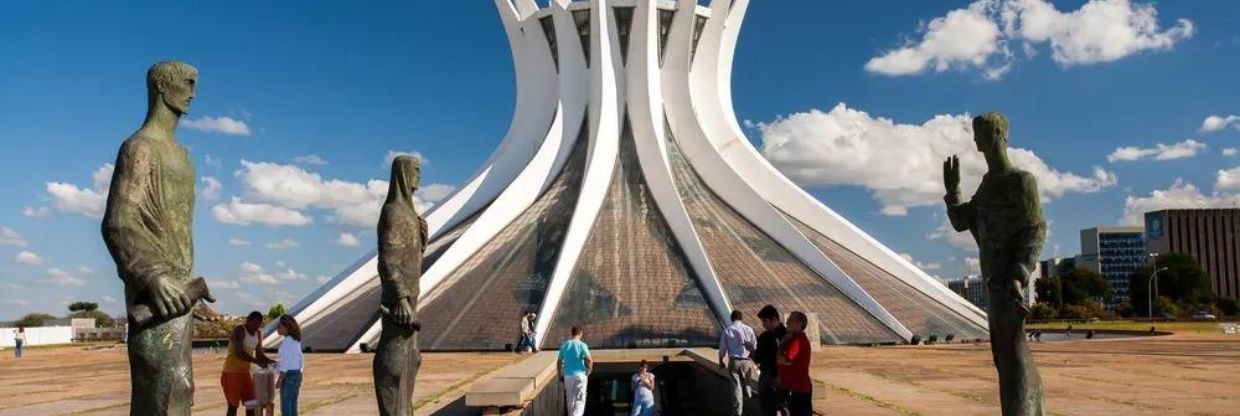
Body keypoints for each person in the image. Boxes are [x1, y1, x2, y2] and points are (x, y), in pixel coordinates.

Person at [222, 311, 275, 416]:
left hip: (245, 373)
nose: (256, 327)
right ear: (248, 321)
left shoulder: (258, 333)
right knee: (233, 406)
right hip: (232, 372)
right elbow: (239, 353)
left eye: (258, 325)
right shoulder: (239, 330)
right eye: (254, 324)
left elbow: (259, 354)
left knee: (252, 404)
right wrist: (257, 362)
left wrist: (271, 362)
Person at [718, 309, 757, 416]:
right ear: (741, 318)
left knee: (736, 386)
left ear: (731, 318)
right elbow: (754, 345)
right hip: (746, 360)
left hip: (733, 361)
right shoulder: (749, 329)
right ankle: (748, 394)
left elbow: (722, 348)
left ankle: (737, 412)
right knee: (747, 382)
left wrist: (721, 361)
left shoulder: (727, 330)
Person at [754, 305, 788, 416]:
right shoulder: (788, 335)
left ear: (774, 319)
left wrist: (752, 352)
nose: (763, 325)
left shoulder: (765, 337)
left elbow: (758, 358)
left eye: (765, 321)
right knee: (784, 408)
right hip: (781, 378)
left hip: (770, 378)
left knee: (769, 409)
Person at [778, 311, 813, 416]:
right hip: (793, 388)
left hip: (798, 390)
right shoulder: (792, 339)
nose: (787, 322)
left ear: (799, 324)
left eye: (790, 320)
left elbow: (784, 359)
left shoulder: (797, 340)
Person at [558, 326, 593, 416]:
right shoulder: (582, 345)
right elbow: (589, 359)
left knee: (570, 398)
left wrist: (559, 375)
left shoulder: (565, 345)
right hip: (580, 375)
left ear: (572, 333)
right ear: (580, 334)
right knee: (580, 399)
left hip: (568, 376)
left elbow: (559, 361)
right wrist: (589, 370)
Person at [275, 315, 304, 416]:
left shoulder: (286, 342)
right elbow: (300, 360)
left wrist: (279, 380)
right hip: (297, 374)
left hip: (289, 376)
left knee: (286, 406)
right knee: (292, 404)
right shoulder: (296, 341)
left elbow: (285, 365)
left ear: (287, 328)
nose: (277, 328)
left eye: (279, 326)